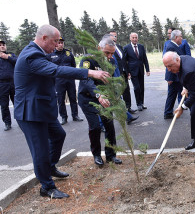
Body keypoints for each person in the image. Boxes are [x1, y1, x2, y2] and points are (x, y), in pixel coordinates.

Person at [14, 24, 110, 199]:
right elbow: (57, 71)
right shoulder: (31, 55)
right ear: (44, 38)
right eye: (55, 41)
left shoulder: (40, 53)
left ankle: (49, 167)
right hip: (31, 113)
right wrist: (89, 73)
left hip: (42, 110)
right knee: (40, 150)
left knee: (58, 135)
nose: (57, 44)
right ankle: (47, 187)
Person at [78, 35, 123, 167]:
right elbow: (86, 79)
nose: (109, 56)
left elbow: (112, 80)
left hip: (105, 99)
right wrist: (98, 94)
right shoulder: (88, 60)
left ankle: (111, 155)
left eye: (112, 53)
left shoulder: (111, 61)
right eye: (107, 53)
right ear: (99, 48)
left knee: (109, 126)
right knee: (95, 127)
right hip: (88, 98)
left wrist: (115, 96)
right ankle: (96, 155)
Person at [47, 37, 83, 125]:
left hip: (70, 80)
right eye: (59, 43)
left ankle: (75, 115)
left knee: (73, 98)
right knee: (60, 99)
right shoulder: (51, 55)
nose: (60, 44)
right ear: (56, 44)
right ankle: (64, 117)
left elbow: (73, 65)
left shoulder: (68, 53)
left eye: (62, 43)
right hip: (59, 81)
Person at [109, 30, 135, 114]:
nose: (114, 37)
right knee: (118, 92)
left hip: (124, 73)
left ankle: (128, 107)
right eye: (113, 36)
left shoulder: (119, 47)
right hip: (116, 73)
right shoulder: (108, 48)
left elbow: (124, 60)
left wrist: (127, 71)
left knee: (126, 90)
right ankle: (121, 111)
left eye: (116, 36)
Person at [123, 32, 150, 111]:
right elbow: (124, 61)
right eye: (133, 37)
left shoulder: (141, 47)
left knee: (141, 87)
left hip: (141, 70)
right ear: (130, 38)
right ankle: (138, 104)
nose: (135, 39)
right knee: (137, 87)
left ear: (138, 38)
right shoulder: (126, 48)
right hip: (132, 71)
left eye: (136, 37)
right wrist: (127, 72)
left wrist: (147, 69)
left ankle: (141, 103)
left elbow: (145, 58)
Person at [163, 29, 187, 119]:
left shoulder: (174, 46)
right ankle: (168, 112)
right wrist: (169, 77)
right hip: (173, 76)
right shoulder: (171, 47)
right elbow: (168, 63)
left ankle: (168, 112)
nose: (182, 38)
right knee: (172, 94)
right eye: (181, 36)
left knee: (173, 95)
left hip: (176, 76)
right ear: (176, 37)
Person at [0, 39, 16, 131]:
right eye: (0, 45)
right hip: (2, 84)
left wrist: (7, 57)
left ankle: (20, 119)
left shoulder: (11, 55)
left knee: (17, 103)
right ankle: (7, 123)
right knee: (4, 105)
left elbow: (18, 61)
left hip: (13, 82)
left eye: (3, 45)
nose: (2, 46)